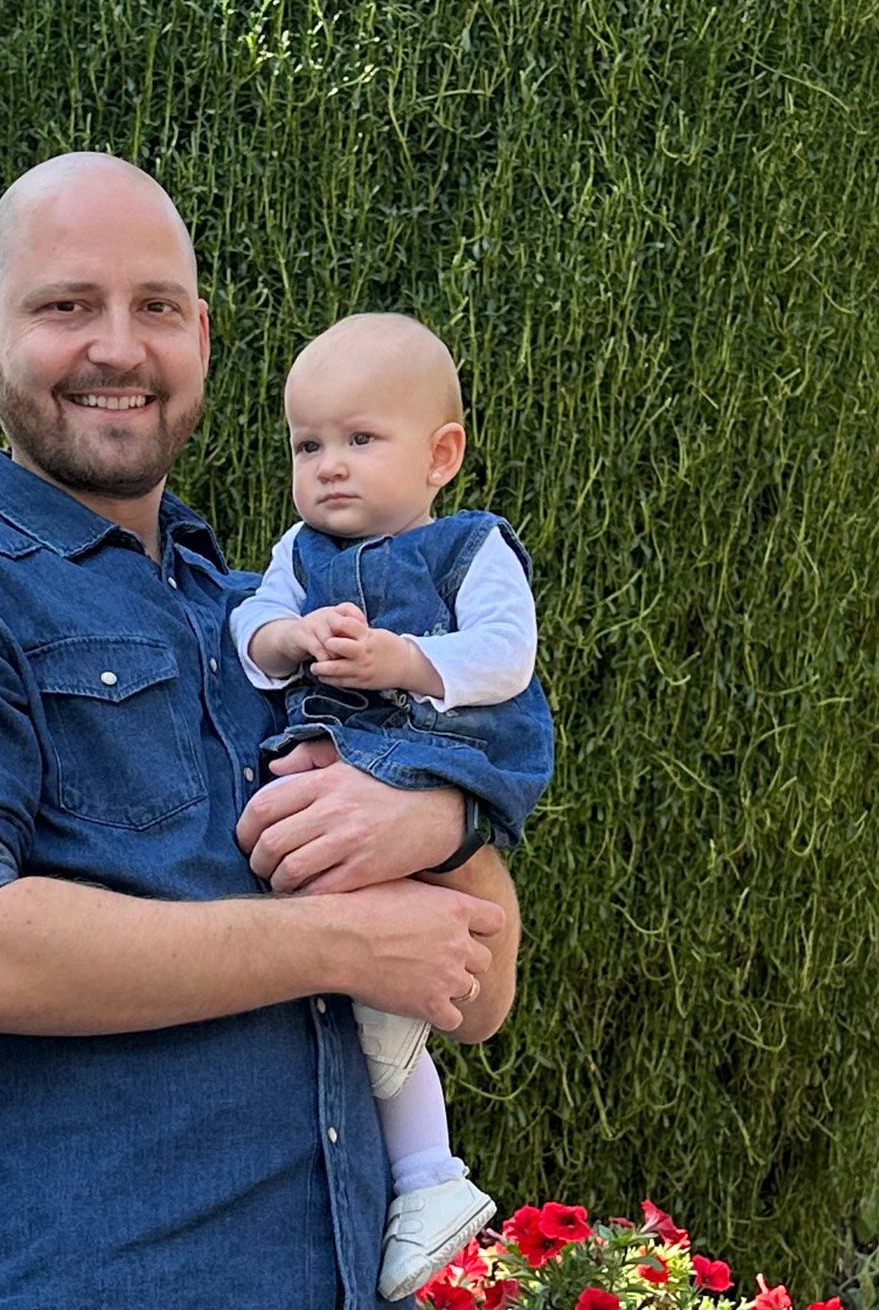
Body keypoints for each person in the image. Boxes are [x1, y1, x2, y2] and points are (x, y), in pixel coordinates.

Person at [0, 152, 524, 1310]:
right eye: (67, 305)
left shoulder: (267, 622)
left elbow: (477, 992)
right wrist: (338, 946)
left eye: (156, 309)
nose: (118, 348)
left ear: (202, 341)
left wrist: (430, 813)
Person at [232, 312, 554, 1300]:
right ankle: (424, 1180)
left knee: (379, 998)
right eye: (307, 446)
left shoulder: (468, 547)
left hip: (445, 759)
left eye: (359, 441)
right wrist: (286, 642)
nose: (329, 467)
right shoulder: (298, 552)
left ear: (440, 455)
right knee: (336, 921)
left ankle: (425, 1173)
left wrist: (407, 660)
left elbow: (506, 653)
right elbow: (249, 622)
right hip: (340, 767)